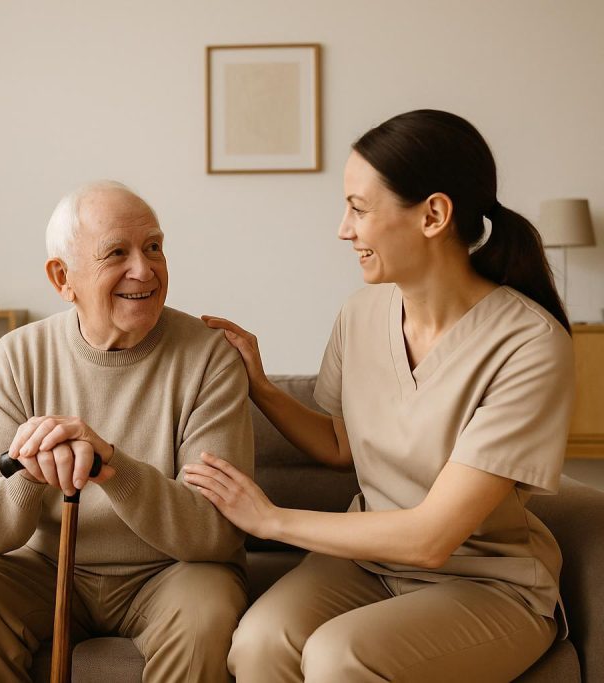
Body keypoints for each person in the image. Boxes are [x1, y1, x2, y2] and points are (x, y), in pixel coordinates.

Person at [185, 110, 575, 682]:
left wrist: (269, 520)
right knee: (259, 643)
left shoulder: (530, 344)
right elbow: (343, 442)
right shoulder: (361, 312)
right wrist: (261, 389)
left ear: (433, 215)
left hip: (487, 582)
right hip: (367, 564)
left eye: (360, 209)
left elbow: (431, 538)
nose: (344, 229)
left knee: (341, 655)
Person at [0, 180, 254, 682]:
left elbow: (215, 531)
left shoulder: (210, 357)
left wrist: (111, 466)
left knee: (207, 611)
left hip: (173, 573)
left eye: (154, 247)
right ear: (63, 277)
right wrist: (29, 476)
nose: (144, 270)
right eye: (116, 253)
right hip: (49, 570)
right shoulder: (19, 355)